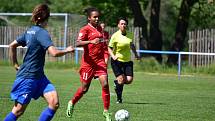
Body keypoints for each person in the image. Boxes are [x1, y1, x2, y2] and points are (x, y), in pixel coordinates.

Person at [4, 4, 74, 121]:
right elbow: (54, 53)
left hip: (39, 77)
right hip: (28, 77)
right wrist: (67, 50)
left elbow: (12, 45)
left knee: (54, 103)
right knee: (18, 111)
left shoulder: (30, 31)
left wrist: (16, 65)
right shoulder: (42, 33)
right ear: (46, 18)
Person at [66, 7, 112, 121]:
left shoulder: (100, 30)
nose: (97, 19)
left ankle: (106, 111)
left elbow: (103, 46)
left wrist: (105, 56)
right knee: (85, 89)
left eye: (98, 17)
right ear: (89, 18)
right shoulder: (85, 29)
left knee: (105, 84)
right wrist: (91, 41)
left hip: (99, 62)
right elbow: (77, 43)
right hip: (88, 64)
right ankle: (72, 102)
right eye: (94, 17)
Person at [108, 17, 140, 104]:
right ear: (118, 25)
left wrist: (136, 54)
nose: (123, 25)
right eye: (121, 24)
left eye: (125, 24)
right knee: (121, 80)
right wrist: (113, 56)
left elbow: (131, 45)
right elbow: (109, 48)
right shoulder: (115, 36)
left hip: (127, 61)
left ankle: (117, 82)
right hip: (117, 61)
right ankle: (119, 99)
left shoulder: (130, 34)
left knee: (129, 80)